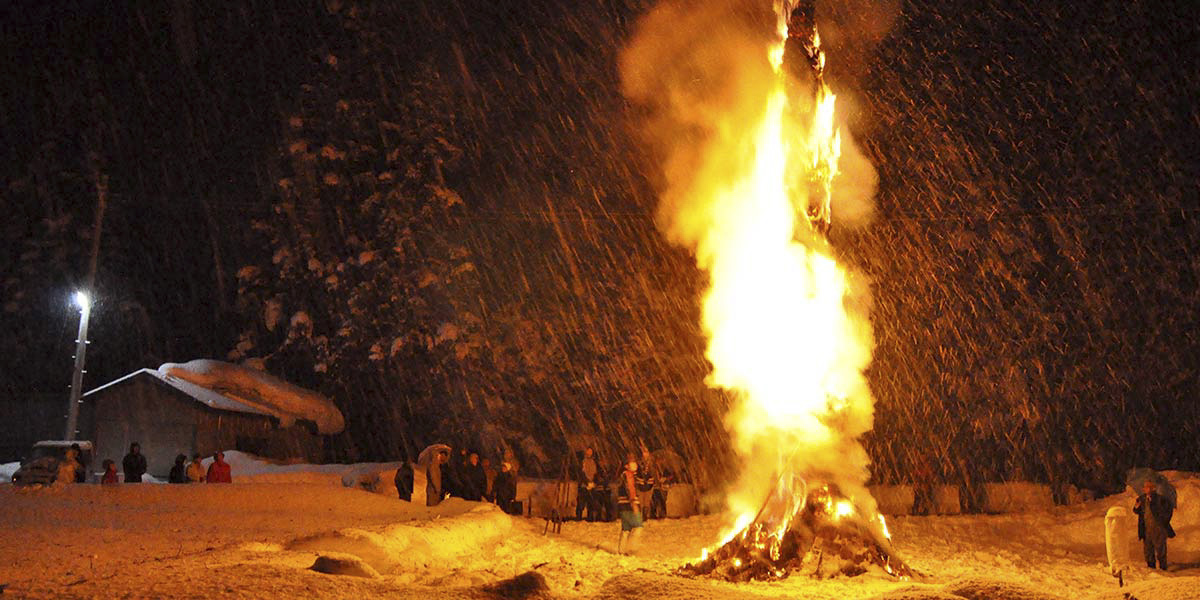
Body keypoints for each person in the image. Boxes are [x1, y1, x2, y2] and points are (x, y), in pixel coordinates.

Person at [1133, 480, 1175, 570]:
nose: (1145, 489)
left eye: (1147, 487)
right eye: (1144, 487)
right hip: (1147, 528)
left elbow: (1168, 511)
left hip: (1158, 528)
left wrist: (1164, 521)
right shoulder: (1142, 499)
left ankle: (1163, 568)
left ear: (1153, 488)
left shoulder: (1160, 499)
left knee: (1160, 549)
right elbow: (1136, 511)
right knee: (1148, 549)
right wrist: (1136, 507)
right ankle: (1151, 568)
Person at [616, 455, 643, 554]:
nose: (635, 464)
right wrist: (633, 503)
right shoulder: (628, 475)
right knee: (638, 527)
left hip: (623, 505)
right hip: (629, 505)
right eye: (632, 462)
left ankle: (622, 550)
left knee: (626, 529)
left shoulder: (629, 475)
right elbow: (630, 489)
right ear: (627, 465)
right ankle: (631, 549)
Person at [576, 447, 599, 521]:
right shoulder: (583, 462)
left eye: (590, 452)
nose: (589, 453)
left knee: (591, 503)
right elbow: (581, 473)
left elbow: (596, 473)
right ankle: (578, 519)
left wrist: (594, 482)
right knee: (581, 503)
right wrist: (586, 483)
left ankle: (590, 519)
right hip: (583, 485)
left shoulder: (594, 462)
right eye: (588, 451)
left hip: (592, 485)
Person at [635, 449, 657, 520]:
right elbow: (636, 473)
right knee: (641, 502)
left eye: (647, 452)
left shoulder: (652, 463)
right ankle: (640, 516)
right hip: (640, 485)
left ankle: (645, 515)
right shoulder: (639, 462)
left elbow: (654, 473)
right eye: (644, 452)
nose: (645, 454)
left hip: (649, 485)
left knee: (647, 502)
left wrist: (651, 479)